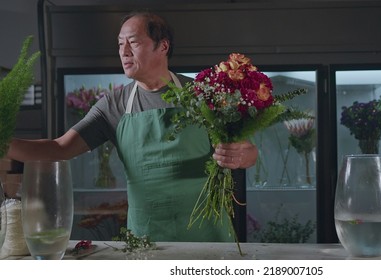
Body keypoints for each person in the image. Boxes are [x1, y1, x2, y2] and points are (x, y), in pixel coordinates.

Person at [7, 11, 258, 242]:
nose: (124, 51)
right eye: (120, 43)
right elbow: (58, 149)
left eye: (133, 42)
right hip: (147, 241)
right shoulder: (114, 105)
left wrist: (243, 155)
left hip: (208, 237)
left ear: (163, 46)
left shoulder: (205, 95)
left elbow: (248, 151)